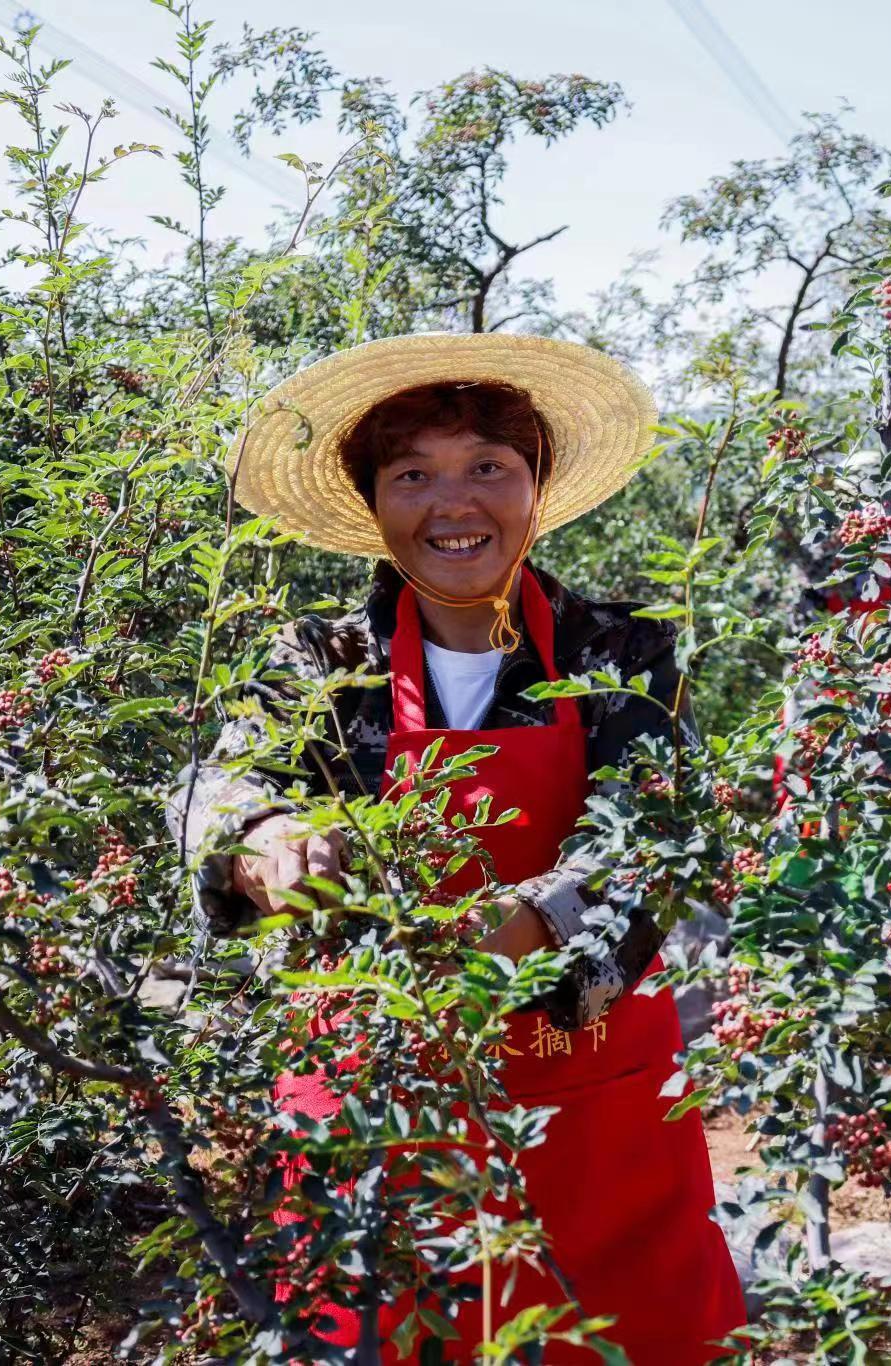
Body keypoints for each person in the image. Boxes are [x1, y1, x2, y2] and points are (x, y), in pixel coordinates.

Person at [168, 334, 743, 1362]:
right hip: (378, 1096)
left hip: (590, 1101)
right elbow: (220, 794)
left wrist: (500, 933)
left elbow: (651, 839)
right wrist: (265, 840)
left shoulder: (620, 649)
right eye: (412, 474)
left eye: (488, 467)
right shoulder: (320, 661)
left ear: (537, 484)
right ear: (373, 502)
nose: (454, 503)